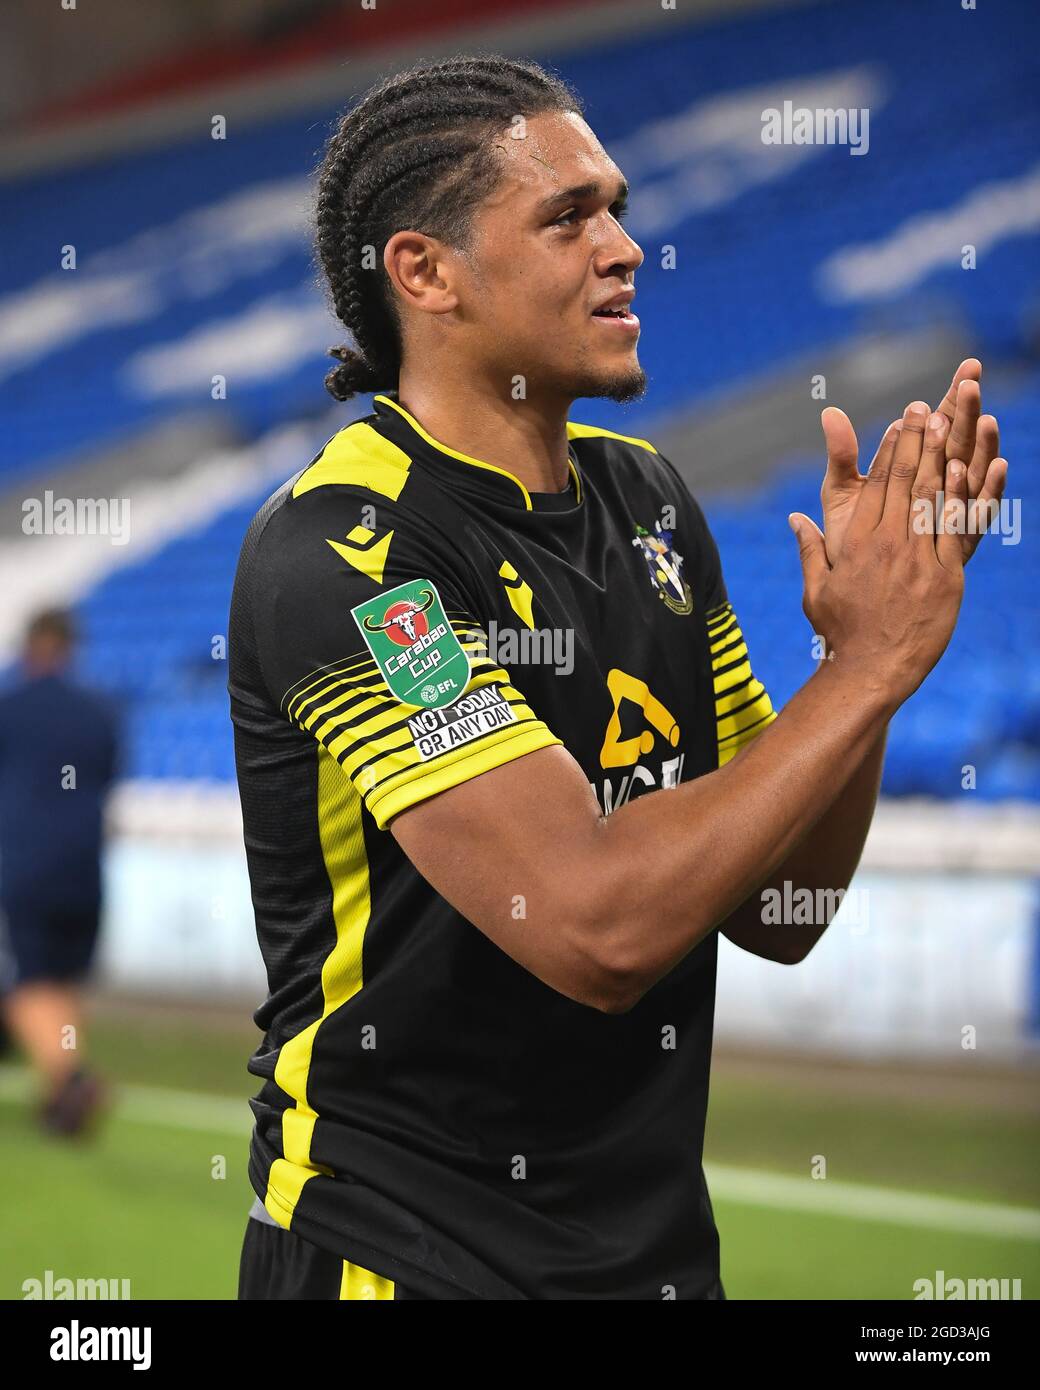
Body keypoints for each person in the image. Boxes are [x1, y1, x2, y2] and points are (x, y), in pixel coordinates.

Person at [229, 55, 1008, 1299]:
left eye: (618, 207)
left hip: (647, 1260)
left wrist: (862, 663)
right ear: (424, 273)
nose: (624, 246)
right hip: (408, 1257)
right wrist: (865, 667)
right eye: (567, 215)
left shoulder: (645, 497)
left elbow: (780, 909)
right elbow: (591, 925)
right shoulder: (351, 552)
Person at [0, 607, 119, 1136]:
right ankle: (58, 1099)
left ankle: (69, 1078)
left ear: (30, 647)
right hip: (85, 864)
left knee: (27, 981)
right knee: (65, 979)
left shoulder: (11, 708)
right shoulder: (101, 713)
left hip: (24, 862)